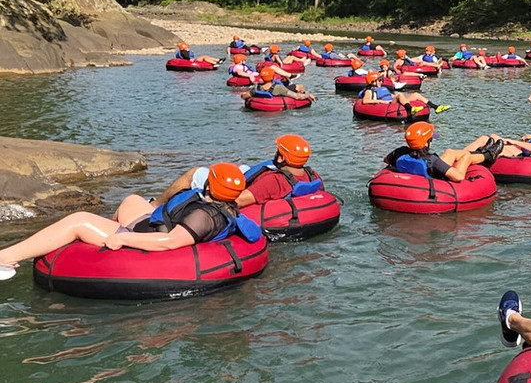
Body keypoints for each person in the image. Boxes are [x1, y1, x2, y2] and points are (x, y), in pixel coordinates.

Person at [0, 163, 262, 280]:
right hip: (150, 223)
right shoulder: (226, 204)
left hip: (143, 237)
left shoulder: (205, 215)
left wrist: (121, 237)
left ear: (211, 185)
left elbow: (170, 242)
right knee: (132, 199)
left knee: (77, 220)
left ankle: (5, 257)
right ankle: (100, 236)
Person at [154, 135, 325, 211]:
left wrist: (211, 192)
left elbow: (237, 201)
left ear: (281, 158)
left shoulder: (272, 182)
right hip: (279, 187)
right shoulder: (312, 174)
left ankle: (155, 205)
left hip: (247, 190)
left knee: (194, 173)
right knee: (242, 167)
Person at [384, 121, 486, 182]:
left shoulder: (400, 152)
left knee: (450, 152)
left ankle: (484, 152)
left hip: (426, 169)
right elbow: (458, 177)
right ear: (426, 143)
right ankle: (487, 155)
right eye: (431, 139)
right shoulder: (432, 161)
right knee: (466, 157)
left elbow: (387, 160)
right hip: (433, 175)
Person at [358, 72, 449, 114]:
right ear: (373, 81)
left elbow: (391, 96)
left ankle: (436, 107)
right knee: (399, 95)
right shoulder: (369, 91)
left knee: (415, 95)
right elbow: (365, 101)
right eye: (379, 80)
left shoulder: (382, 88)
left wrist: (405, 97)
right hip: (387, 105)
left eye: (381, 80)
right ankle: (411, 109)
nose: (381, 82)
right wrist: (381, 102)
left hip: (392, 101)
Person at [240, 67, 316, 102]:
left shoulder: (256, 88)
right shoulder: (279, 88)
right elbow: (297, 96)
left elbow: (244, 96)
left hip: (259, 107)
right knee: (299, 87)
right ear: (273, 77)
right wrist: (308, 95)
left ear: (262, 78)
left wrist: (242, 95)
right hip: (276, 107)